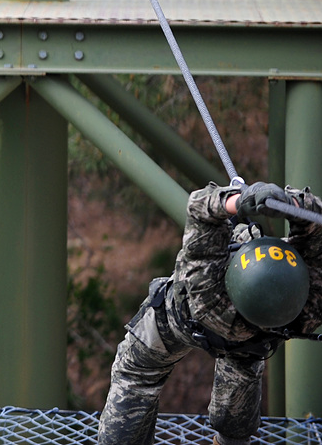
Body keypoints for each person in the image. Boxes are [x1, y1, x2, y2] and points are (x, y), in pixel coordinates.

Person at [96, 181, 322, 445]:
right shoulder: (309, 305)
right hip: (251, 339)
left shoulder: (207, 293)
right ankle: (232, 439)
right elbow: (315, 224)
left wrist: (236, 201)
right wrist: (289, 202)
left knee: (136, 375)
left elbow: (199, 207)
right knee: (243, 369)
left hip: (178, 321)